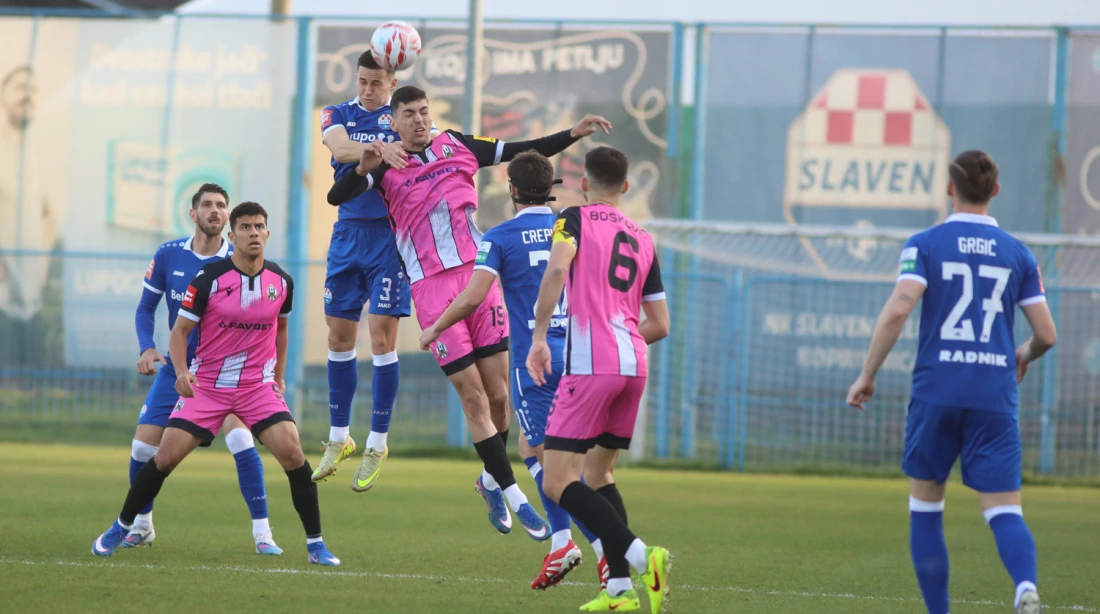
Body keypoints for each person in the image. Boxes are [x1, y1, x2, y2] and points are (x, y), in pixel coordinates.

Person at [328, 85, 611, 540]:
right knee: (474, 398)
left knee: (499, 396)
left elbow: (523, 151)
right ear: (394, 122)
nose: (419, 120)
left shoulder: (456, 144)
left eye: (424, 112)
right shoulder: (385, 162)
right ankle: (516, 495)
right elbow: (336, 196)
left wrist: (573, 134)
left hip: (480, 278)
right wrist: (362, 166)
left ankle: (489, 479)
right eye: (409, 115)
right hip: (432, 289)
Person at [846, 150, 1055, 614]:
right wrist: (1022, 354)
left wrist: (867, 374)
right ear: (995, 191)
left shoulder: (926, 243)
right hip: (993, 397)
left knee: (926, 508)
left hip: (937, 392)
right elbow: (1047, 334)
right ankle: (1024, 587)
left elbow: (900, 308)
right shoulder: (1019, 254)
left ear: (948, 189)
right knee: (1005, 510)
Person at [92, 202, 340, 567]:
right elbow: (179, 332)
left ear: (267, 234)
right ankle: (122, 525)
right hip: (208, 385)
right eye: (245, 227)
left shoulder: (281, 281)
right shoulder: (207, 280)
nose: (253, 233)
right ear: (232, 235)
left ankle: (316, 544)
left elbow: (282, 330)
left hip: (257, 387)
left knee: (293, 454)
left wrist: (279, 376)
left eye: (259, 227)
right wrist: (180, 372)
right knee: (164, 457)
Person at [418, 151, 603, 590]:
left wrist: (434, 328)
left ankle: (604, 550)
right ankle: (560, 539)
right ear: (551, 186)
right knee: (532, 448)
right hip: (581, 357)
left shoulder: (498, 237)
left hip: (535, 362)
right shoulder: (574, 228)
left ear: (511, 188)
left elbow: (472, 297)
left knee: (553, 464)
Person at [527, 146, 672, 613]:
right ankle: (620, 592)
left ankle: (641, 555)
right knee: (599, 474)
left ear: (584, 184)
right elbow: (661, 324)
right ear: (625, 188)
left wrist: (539, 337)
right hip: (634, 365)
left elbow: (557, 267)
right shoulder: (644, 238)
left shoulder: (573, 217)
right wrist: (623, 344)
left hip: (592, 365)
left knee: (555, 481)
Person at [123, 183, 278, 554]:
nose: (214, 210)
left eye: (221, 205)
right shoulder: (168, 255)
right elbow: (146, 308)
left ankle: (263, 534)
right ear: (193, 214)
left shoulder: (238, 260)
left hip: (224, 372)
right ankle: (142, 525)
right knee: (143, 449)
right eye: (207, 205)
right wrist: (147, 348)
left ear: (228, 217)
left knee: (241, 440)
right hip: (176, 368)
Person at [316, 51, 434, 489]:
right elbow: (339, 147)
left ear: (392, 80)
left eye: (376, 82)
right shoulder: (338, 113)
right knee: (338, 337)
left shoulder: (403, 117)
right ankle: (338, 438)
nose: (367, 89)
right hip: (346, 235)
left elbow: (430, 142)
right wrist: (378, 148)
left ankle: (377, 442)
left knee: (382, 337)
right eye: (362, 81)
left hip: (389, 238)